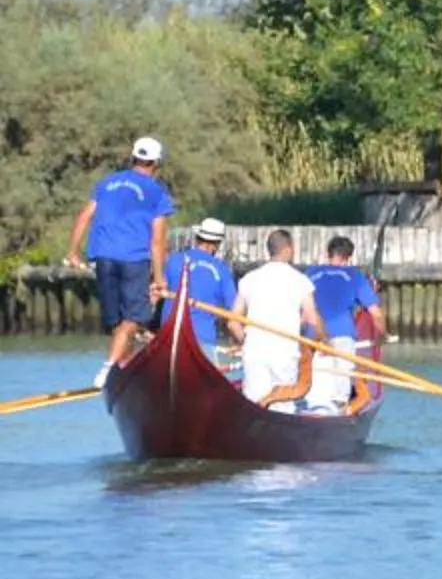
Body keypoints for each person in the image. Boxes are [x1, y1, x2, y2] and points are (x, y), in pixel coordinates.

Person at [65, 135, 176, 386]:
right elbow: (158, 241)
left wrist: (73, 251)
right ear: (156, 163)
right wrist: (160, 279)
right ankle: (109, 368)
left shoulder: (107, 183)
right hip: (134, 259)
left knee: (117, 320)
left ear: (133, 157)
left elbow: (84, 216)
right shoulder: (157, 192)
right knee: (135, 318)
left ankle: (122, 368)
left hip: (103, 256)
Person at [235, 230, 327, 409]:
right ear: (287, 250)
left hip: (255, 352)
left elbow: (233, 322)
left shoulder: (249, 279)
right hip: (285, 352)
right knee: (283, 407)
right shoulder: (300, 280)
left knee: (254, 405)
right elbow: (312, 319)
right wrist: (318, 346)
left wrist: (245, 342)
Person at [302, 235, 386, 411]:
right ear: (349, 257)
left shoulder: (310, 273)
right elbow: (376, 315)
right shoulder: (354, 276)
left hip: (313, 337)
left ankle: (313, 413)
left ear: (328, 254)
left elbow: (302, 310)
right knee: (339, 394)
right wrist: (382, 336)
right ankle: (339, 410)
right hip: (342, 336)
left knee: (316, 391)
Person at [159, 217, 239, 359]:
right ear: (216, 245)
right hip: (203, 341)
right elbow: (234, 315)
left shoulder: (174, 260)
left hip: (168, 337)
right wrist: (242, 341)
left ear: (197, 239)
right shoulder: (222, 270)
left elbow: (156, 293)